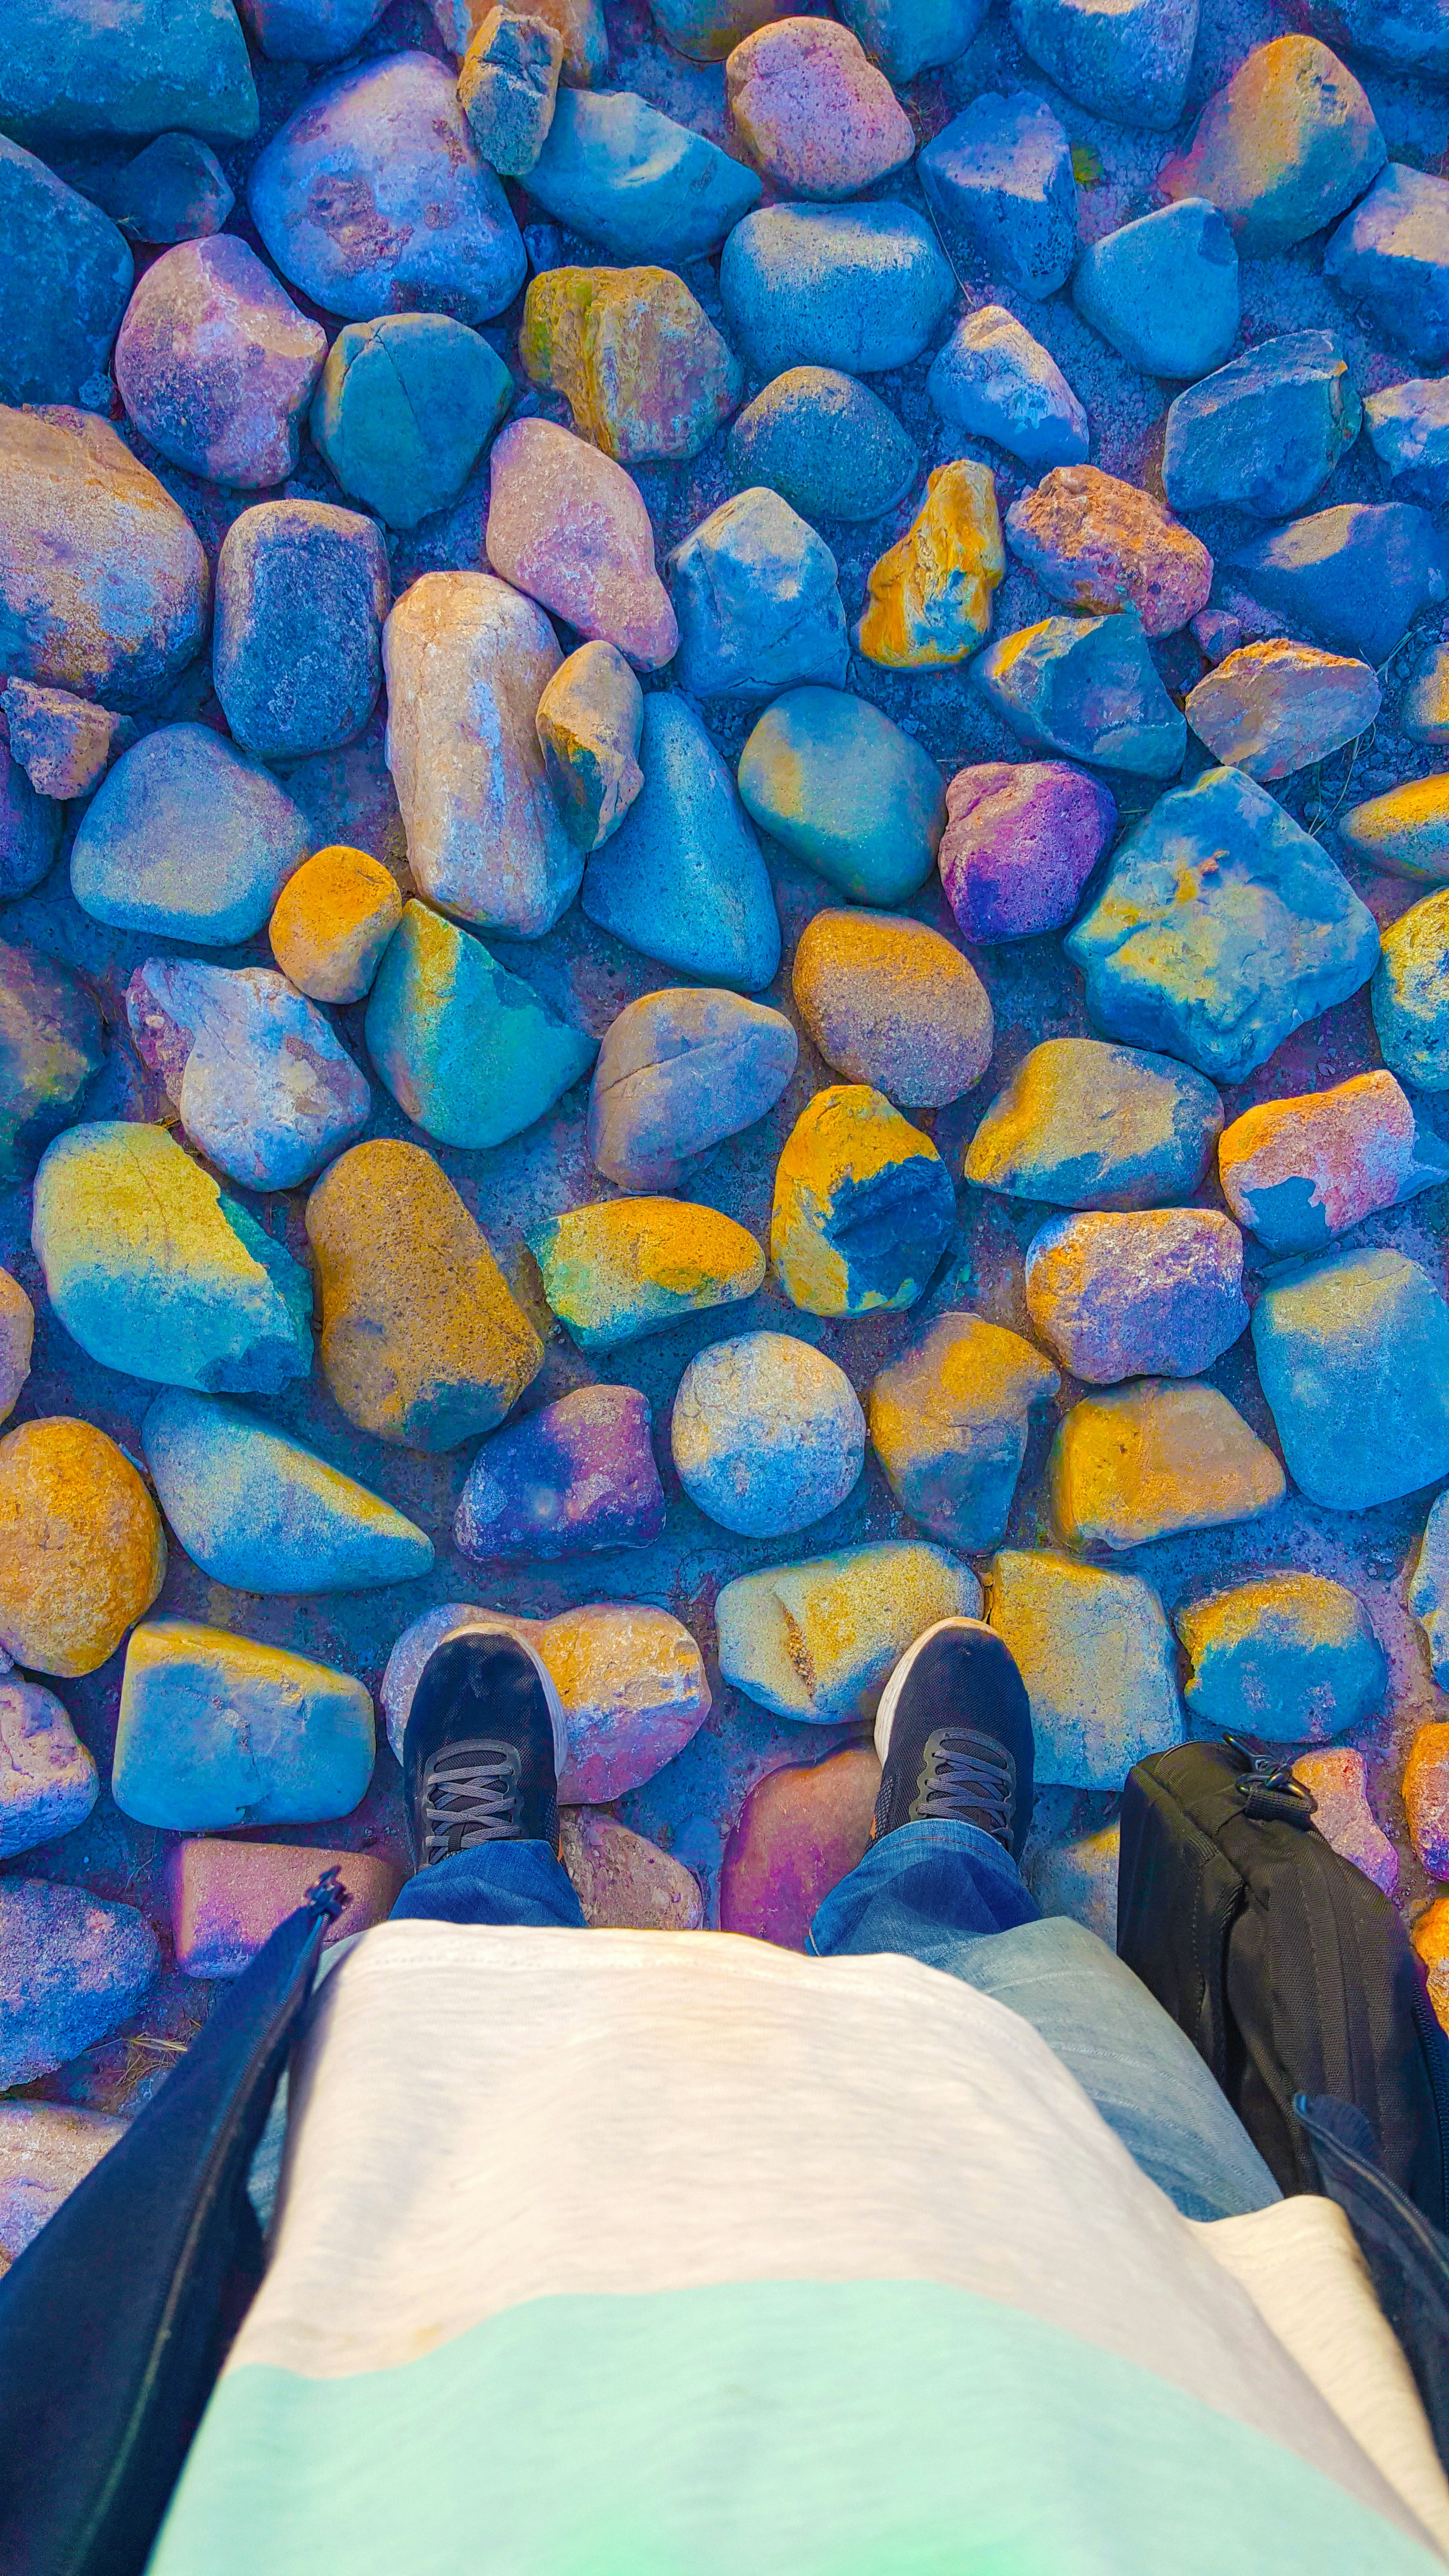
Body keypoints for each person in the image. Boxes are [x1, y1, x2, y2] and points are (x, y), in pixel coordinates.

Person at [79, 1623, 1449, 2565]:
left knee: (436, 2057)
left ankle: (482, 1890)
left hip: (398, 2453)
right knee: (1011, 2022)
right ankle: (938, 1870)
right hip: (1157, 2391)